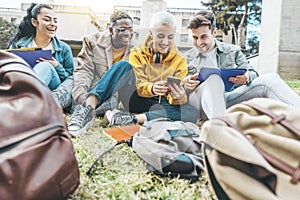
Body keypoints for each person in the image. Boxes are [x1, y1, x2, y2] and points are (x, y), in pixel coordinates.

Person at [68, 11, 199, 136]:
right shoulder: (137, 52)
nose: (165, 42)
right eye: (160, 36)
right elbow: (140, 85)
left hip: (162, 105)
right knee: (123, 65)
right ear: (151, 33)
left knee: (191, 113)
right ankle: (86, 109)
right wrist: (152, 88)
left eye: (170, 37)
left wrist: (180, 96)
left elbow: (175, 98)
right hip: (137, 99)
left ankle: (129, 118)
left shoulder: (180, 60)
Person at [183, 10, 300, 120]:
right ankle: (220, 130)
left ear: (214, 32)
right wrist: (186, 83)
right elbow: (176, 92)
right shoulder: (187, 58)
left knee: (270, 79)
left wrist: (247, 77)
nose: (199, 42)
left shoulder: (232, 51)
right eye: (195, 37)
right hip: (201, 105)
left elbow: (253, 73)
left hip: (229, 99)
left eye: (203, 37)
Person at [9, 3, 74, 95]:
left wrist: (57, 66)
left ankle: (25, 99)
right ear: (34, 22)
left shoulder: (64, 49)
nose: (53, 24)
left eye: (55, 21)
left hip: (52, 92)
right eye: (47, 20)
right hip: (22, 85)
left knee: (45, 66)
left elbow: (71, 81)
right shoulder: (18, 45)